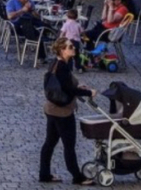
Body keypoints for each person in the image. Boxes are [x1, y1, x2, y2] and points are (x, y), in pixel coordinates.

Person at [40, 36, 97, 184]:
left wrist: (77, 86)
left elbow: (64, 85)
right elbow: (69, 89)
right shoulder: (62, 67)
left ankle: (44, 174)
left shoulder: (56, 63)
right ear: (62, 50)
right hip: (62, 112)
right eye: (70, 47)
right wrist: (89, 92)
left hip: (51, 108)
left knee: (49, 143)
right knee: (69, 145)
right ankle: (77, 177)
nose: (74, 48)